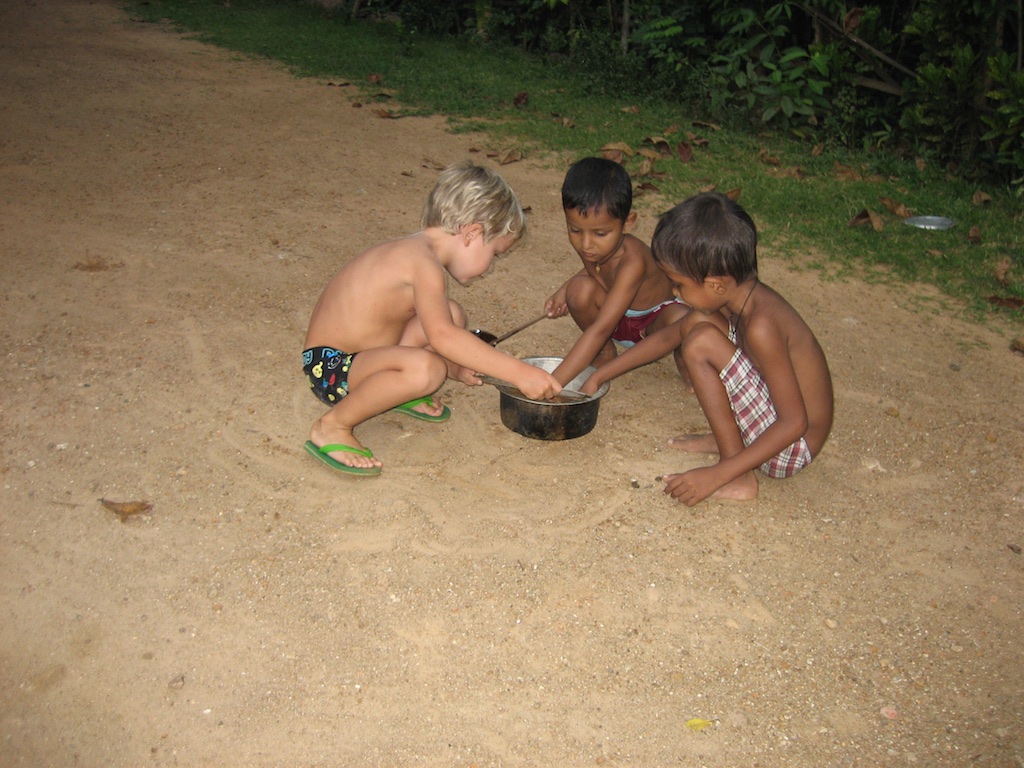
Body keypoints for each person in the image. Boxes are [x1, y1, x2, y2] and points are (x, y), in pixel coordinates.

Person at [302, 161, 563, 476]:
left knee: (451, 313)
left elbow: (441, 330)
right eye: (495, 254)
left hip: (362, 357)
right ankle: (333, 426)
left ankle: (397, 389)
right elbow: (442, 337)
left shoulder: (417, 250)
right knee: (429, 368)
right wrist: (520, 373)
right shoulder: (422, 263)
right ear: (472, 233)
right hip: (331, 368)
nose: (491, 266)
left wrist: (455, 366)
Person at [579, 192, 833, 505]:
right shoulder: (733, 301)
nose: (673, 292)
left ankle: (739, 474)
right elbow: (664, 339)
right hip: (776, 424)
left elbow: (794, 423)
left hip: (792, 449)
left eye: (679, 284)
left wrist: (718, 474)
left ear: (715, 283)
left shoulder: (762, 326)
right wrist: (600, 375)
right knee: (698, 328)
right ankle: (734, 443)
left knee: (700, 343)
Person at [543, 157, 689, 386]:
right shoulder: (591, 245)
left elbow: (601, 329)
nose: (586, 244)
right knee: (578, 290)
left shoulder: (633, 262)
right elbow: (597, 270)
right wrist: (564, 290)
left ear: (628, 223)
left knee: (683, 319)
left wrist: (554, 382)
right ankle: (604, 354)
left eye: (600, 234)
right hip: (618, 318)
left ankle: (690, 372)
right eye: (575, 230)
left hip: (653, 325)